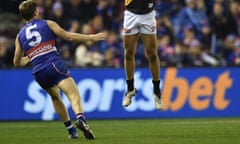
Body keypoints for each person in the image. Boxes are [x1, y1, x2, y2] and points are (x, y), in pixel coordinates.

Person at [13, 0, 106, 140]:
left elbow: (16, 62)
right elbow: (68, 36)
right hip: (53, 64)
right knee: (73, 94)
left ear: (22, 16)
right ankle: (81, 119)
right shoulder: (47, 23)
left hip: (38, 71)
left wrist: (32, 55)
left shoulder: (19, 36)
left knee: (55, 96)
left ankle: (71, 130)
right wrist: (90, 37)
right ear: (36, 12)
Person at [122, 0, 163, 110]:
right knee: (128, 53)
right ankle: (130, 89)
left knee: (152, 54)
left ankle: (157, 91)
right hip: (131, 14)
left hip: (148, 15)